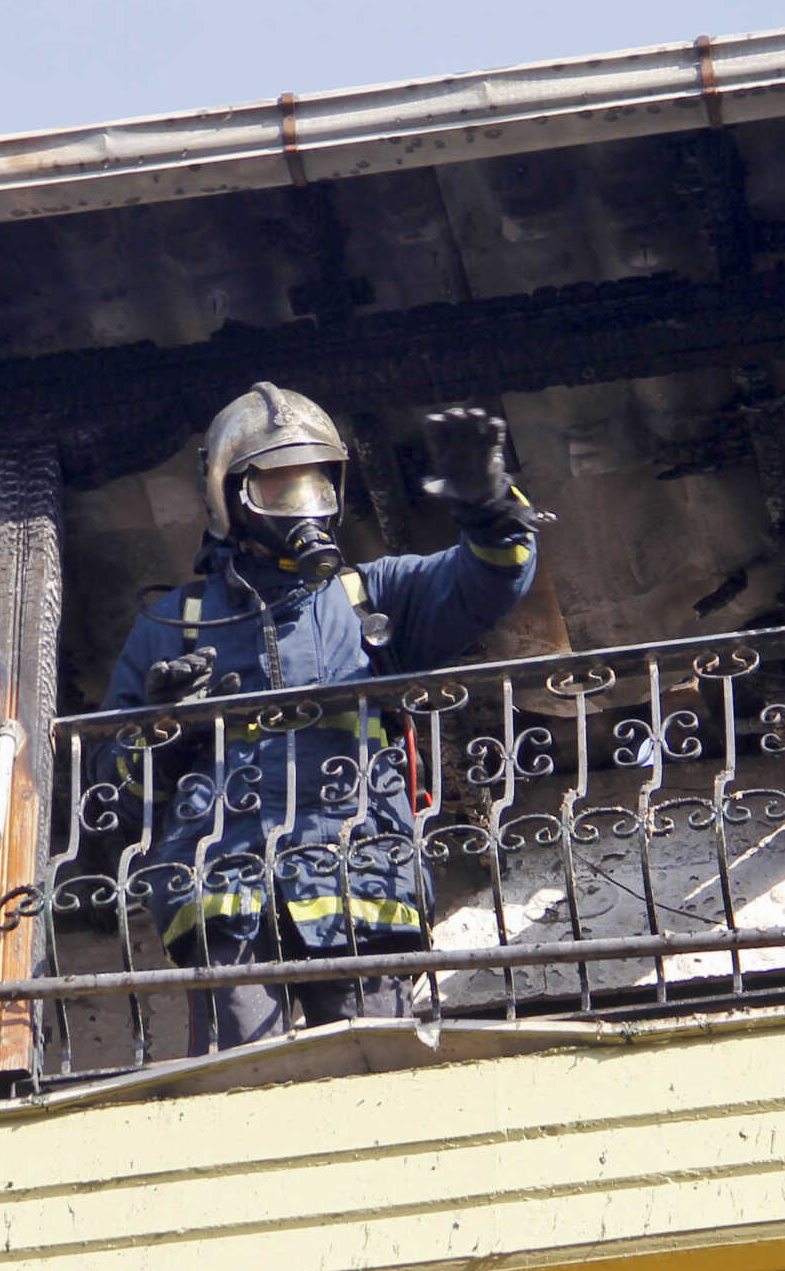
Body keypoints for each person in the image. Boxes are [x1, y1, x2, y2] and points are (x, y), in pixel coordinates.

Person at [97, 383, 545, 1052]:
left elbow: (491, 580)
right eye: (280, 490)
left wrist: (489, 507)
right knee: (239, 1087)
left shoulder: (374, 595)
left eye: (315, 487)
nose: (303, 509)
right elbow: (114, 797)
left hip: (362, 873)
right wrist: (165, 728)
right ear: (231, 499)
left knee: (379, 1075)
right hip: (223, 888)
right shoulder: (172, 628)